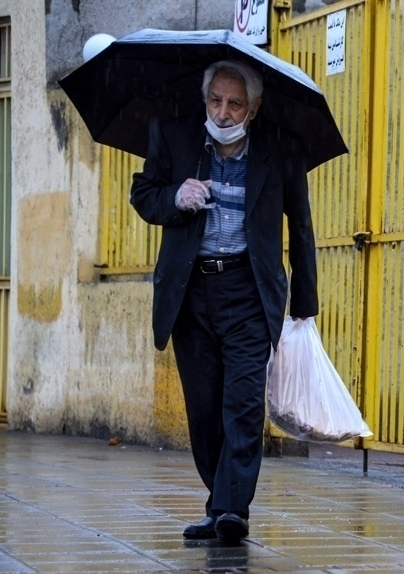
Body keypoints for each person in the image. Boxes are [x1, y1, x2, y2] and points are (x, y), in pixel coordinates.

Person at [130, 59, 318, 544]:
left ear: (253, 110)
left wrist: (304, 301)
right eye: (216, 100)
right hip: (191, 293)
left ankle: (233, 509)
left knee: (241, 404)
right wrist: (176, 195)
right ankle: (219, 500)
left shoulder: (279, 148)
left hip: (248, 293)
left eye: (235, 103)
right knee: (205, 408)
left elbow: (300, 225)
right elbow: (144, 195)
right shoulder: (174, 137)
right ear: (205, 100)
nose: (224, 111)